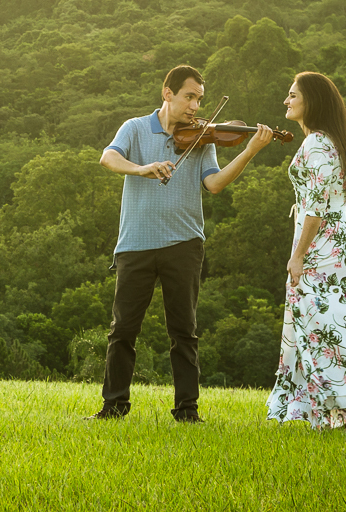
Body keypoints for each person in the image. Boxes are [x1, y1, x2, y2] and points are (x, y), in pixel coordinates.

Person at [88, 65, 274, 422]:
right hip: (135, 244)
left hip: (184, 244)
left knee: (183, 331)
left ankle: (187, 410)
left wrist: (250, 150)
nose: (195, 106)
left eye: (199, 99)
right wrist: (142, 168)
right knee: (123, 330)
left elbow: (214, 184)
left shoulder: (203, 137)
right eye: (189, 97)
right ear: (168, 93)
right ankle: (113, 407)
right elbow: (108, 158)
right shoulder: (135, 128)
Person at [266, 71, 346, 432]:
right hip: (342, 244)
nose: (286, 101)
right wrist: (344, 245)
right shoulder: (335, 142)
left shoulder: (316, 144)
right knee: (343, 328)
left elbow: (316, 206)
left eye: (293, 95)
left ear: (312, 101)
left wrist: (299, 255)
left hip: (320, 246)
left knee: (322, 328)